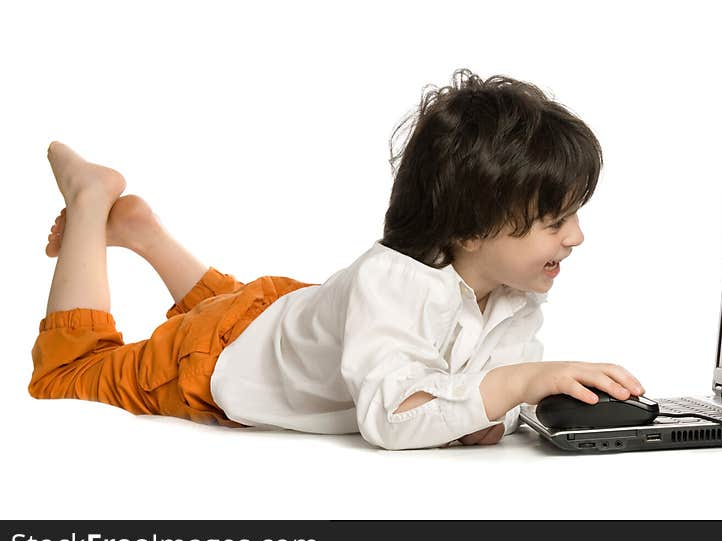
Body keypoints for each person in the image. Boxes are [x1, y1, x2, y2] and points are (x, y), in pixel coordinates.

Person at [29, 68, 646, 451]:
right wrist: (516, 385)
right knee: (67, 376)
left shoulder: (516, 296)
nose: (577, 238)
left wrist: (494, 414)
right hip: (217, 355)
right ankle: (91, 197)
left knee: (248, 311)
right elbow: (388, 416)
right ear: (474, 229)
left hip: (285, 315)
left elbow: (480, 405)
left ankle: (144, 232)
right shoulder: (392, 283)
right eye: (555, 221)